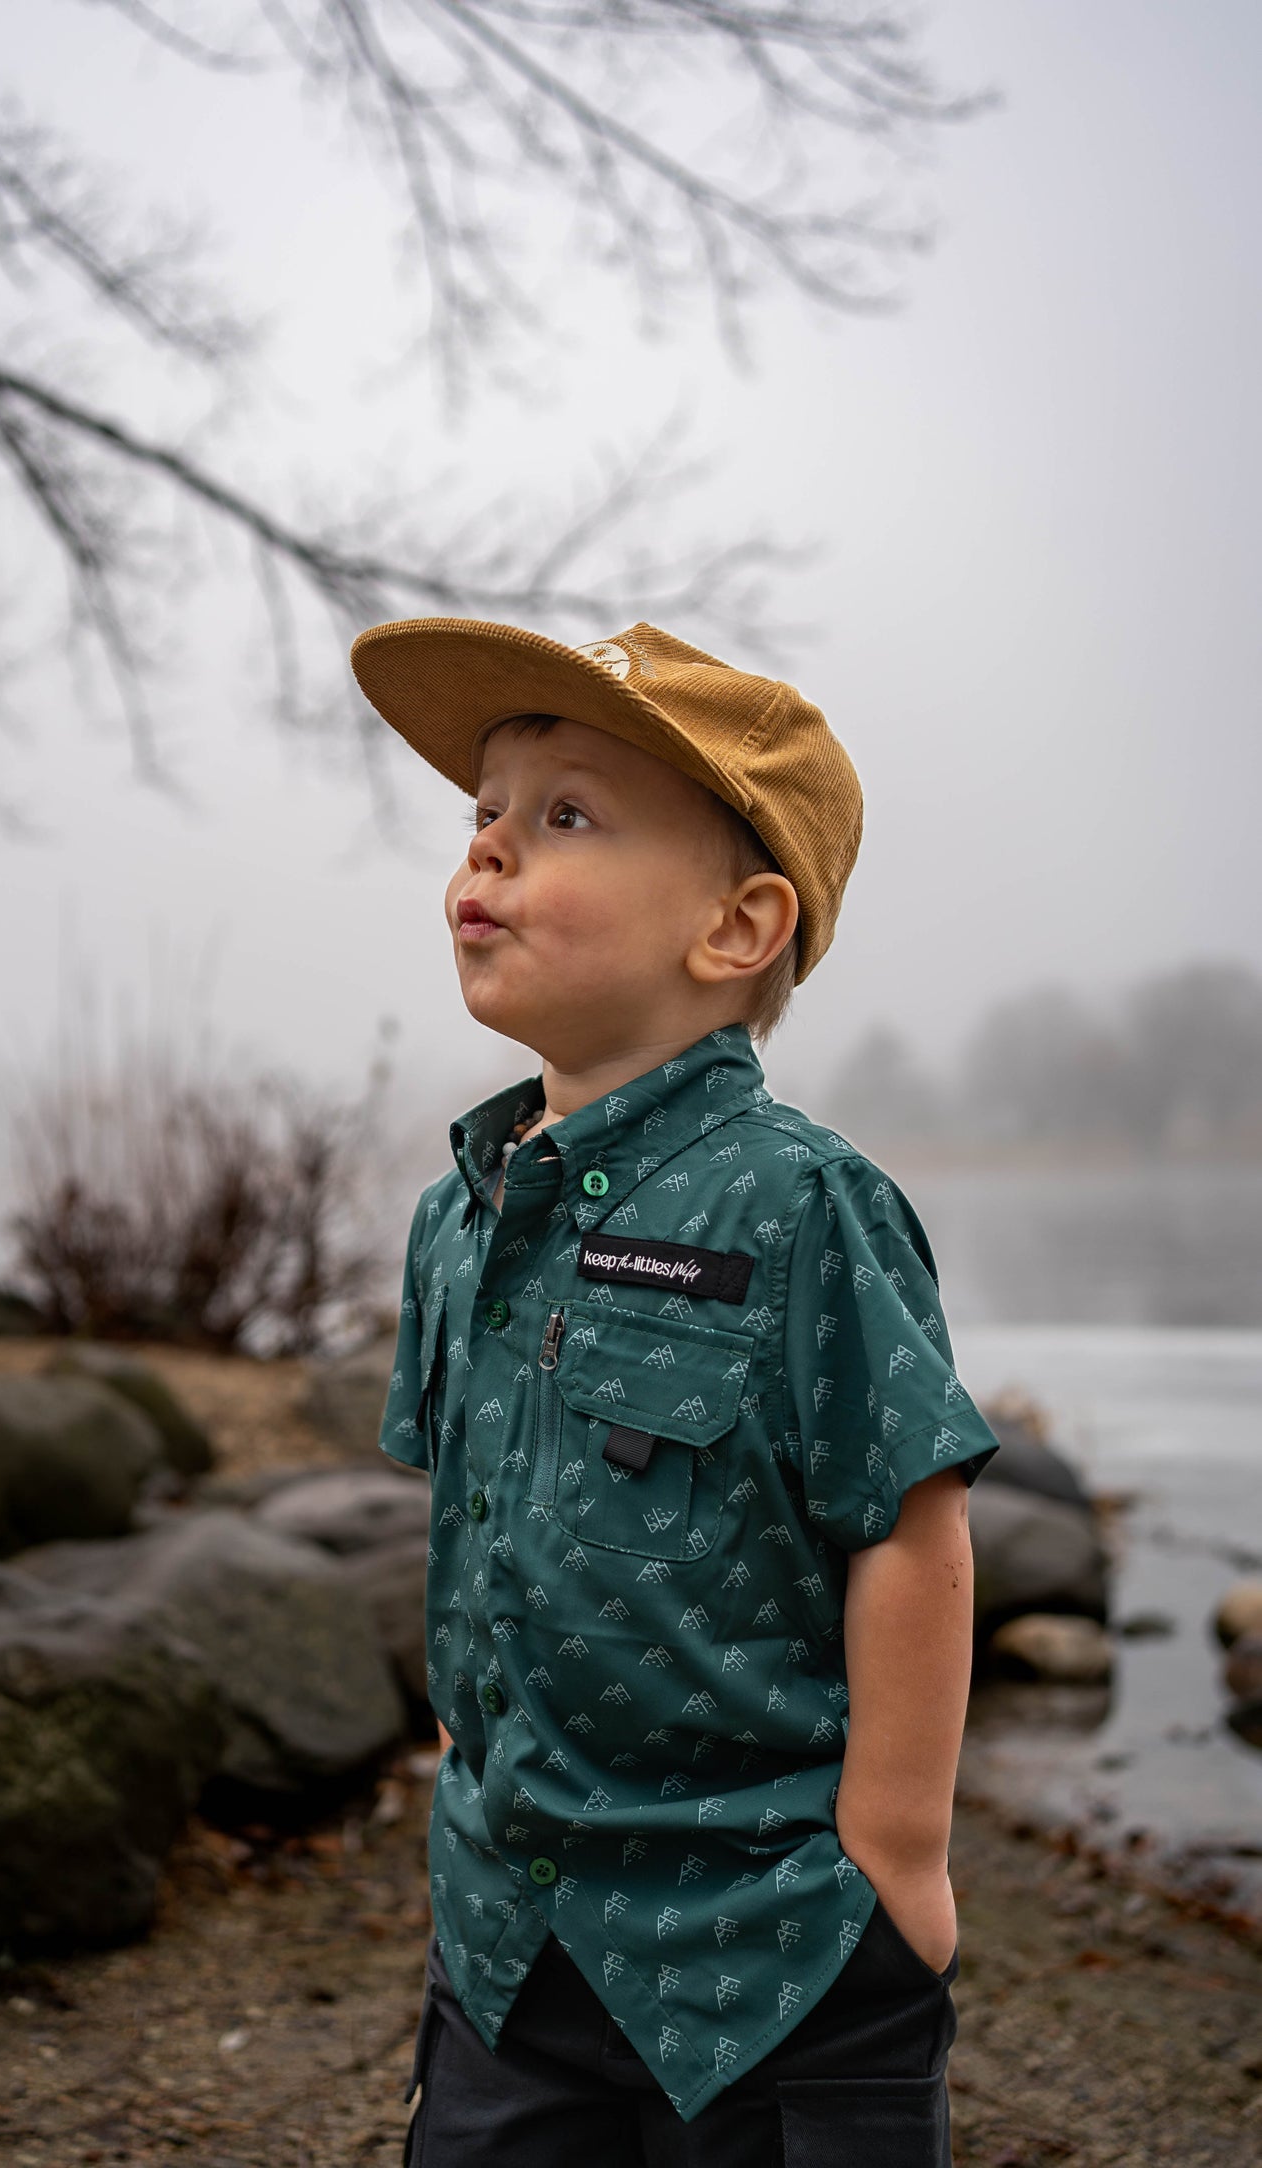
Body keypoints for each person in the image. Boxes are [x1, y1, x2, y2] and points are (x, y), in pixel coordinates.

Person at [349, 617, 1000, 2166]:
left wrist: (895, 1852)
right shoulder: (461, 1211)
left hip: (767, 1939)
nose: (491, 846)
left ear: (737, 927)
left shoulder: (803, 1208)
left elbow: (903, 1525)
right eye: (482, 815)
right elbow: (476, 1518)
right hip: (508, 1934)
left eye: (562, 814)